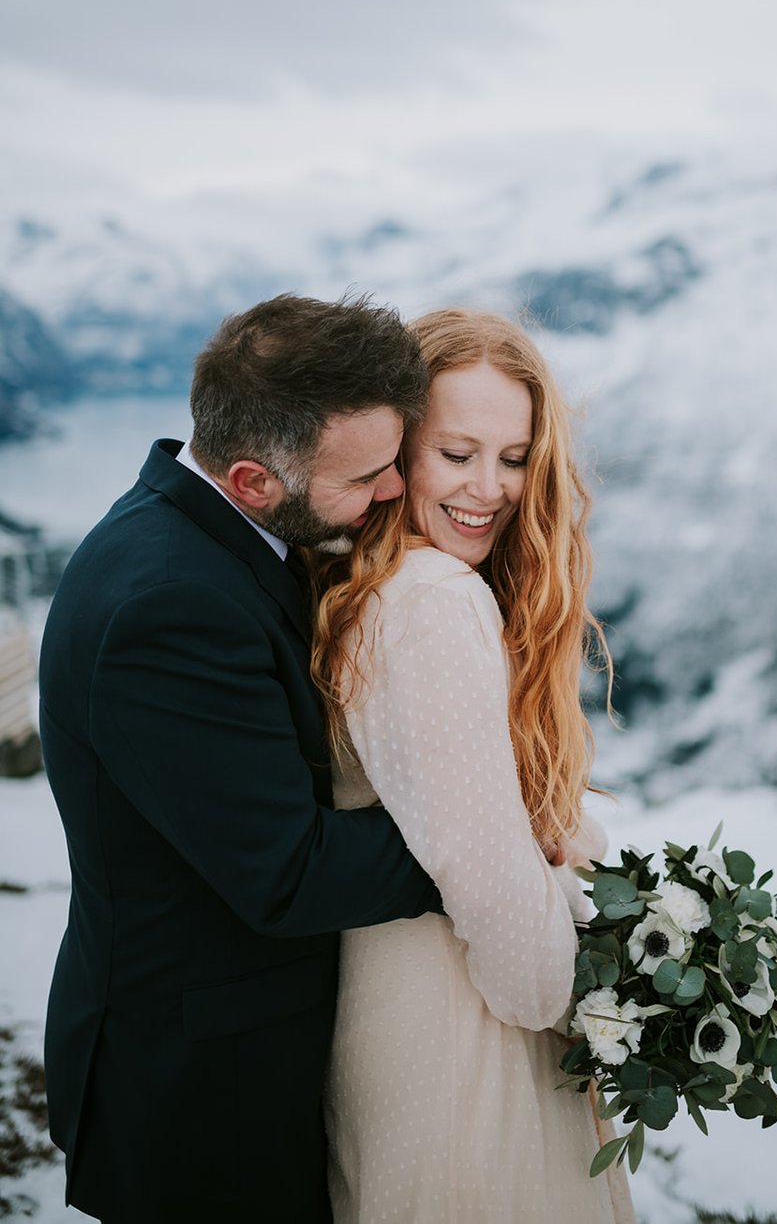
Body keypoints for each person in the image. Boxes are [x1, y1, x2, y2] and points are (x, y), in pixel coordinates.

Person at [38, 294, 444, 1224]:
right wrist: (487, 840)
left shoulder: (207, 533)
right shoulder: (168, 609)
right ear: (256, 478)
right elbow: (288, 875)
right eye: (371, 474)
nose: (392, 491)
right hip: (200, 1089)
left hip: (220, 1047)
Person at [310, 309, 636, 1223]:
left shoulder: (381, 588)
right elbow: (501, 910)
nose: (488, 488)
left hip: (410, 1020)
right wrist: (610, 997)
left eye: (514, 456)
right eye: (456, 453)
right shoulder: (431, 602)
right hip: (466, 1042)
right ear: (396, 451)